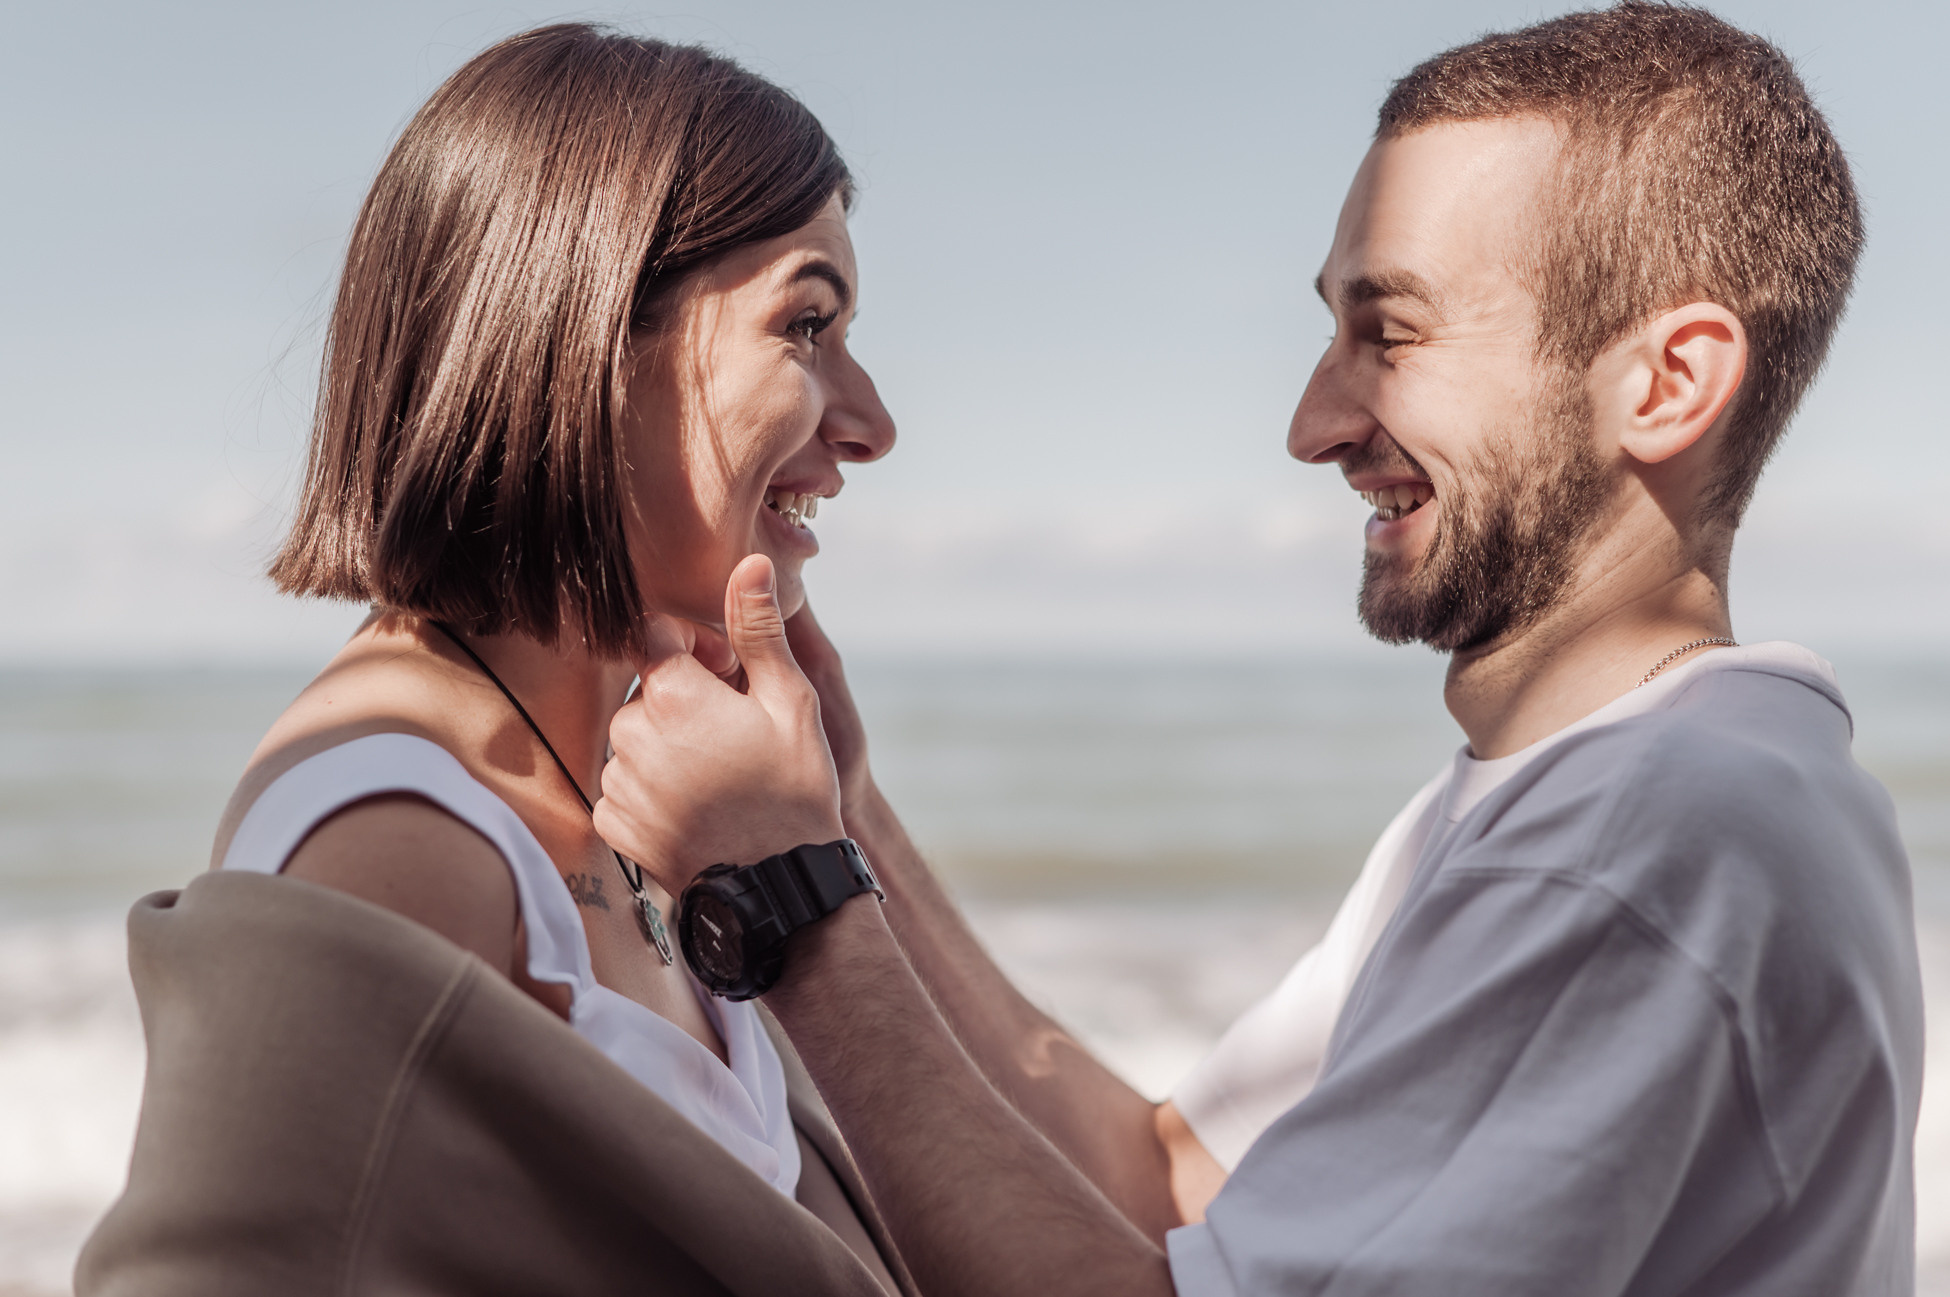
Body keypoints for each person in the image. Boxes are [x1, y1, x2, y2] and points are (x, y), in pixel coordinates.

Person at [590, 4, 1924, 1295]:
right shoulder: (1614, 791)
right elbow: (1179, 1182)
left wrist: (794, 901)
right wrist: (849, 819)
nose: (1311, 423)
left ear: (1670, 382)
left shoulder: (1639, 839)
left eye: (1389, 335)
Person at [78, 23, 908, 1297]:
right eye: (806, 325)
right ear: (586, 337)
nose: (871, 423)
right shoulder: (398, 842)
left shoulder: (647, 794)